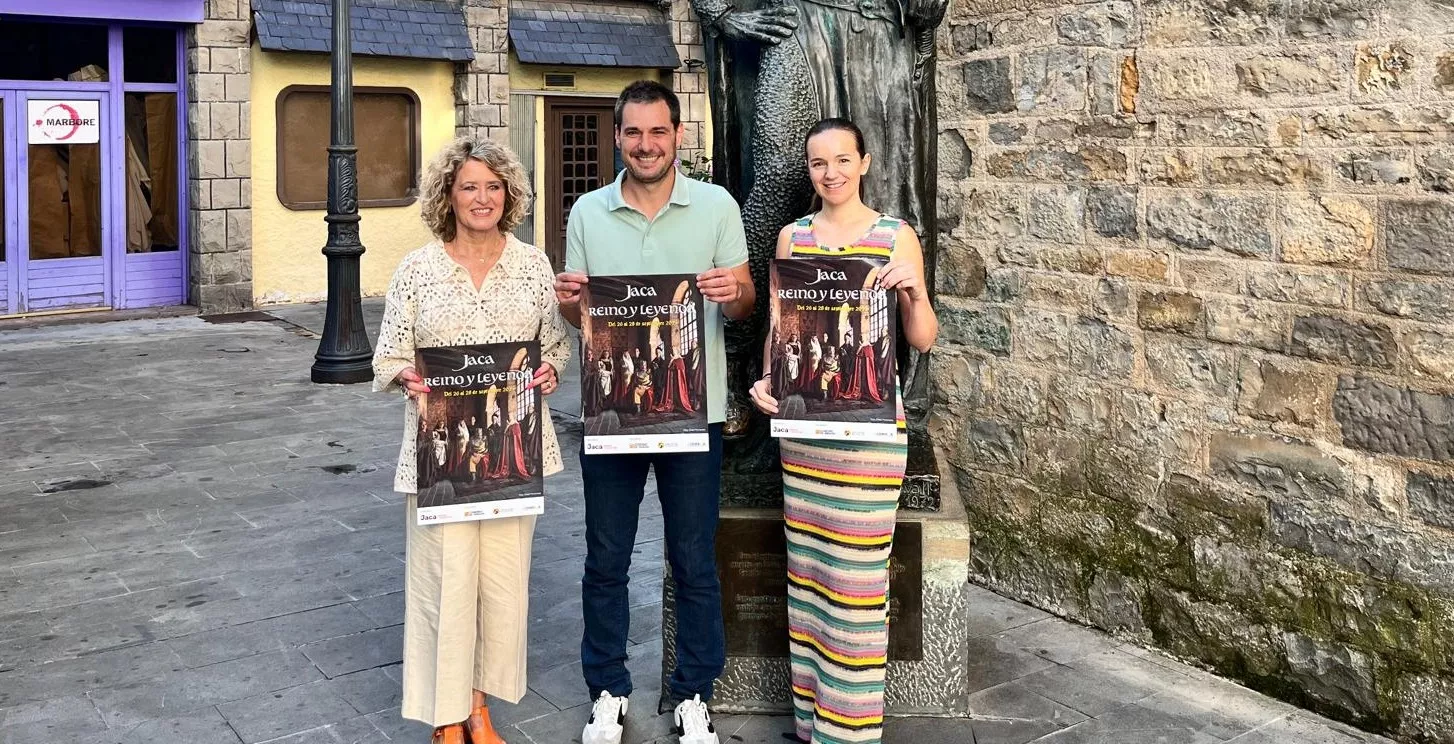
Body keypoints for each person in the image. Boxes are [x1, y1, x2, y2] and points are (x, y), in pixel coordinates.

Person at [554, 79, 755, 744]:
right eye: (633, 132)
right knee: (605, 557)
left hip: (693, 412)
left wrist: (734, 293)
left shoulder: (717, 206)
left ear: (677, 135)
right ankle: (607, 688)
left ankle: (694, 692)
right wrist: (566, 301)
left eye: (658, 132)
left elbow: (749, 302)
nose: (645, 144)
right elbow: (580, 317)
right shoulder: (586, 212)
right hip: (612, 414)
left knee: (694, 558)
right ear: (618, 137)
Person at [746, 118, 938, 744]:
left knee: (855, 588)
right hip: (805, 437)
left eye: (841, 159)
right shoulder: (791, 238)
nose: (830, 172)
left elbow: (923, 338)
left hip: (871, 437)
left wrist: (911, 294)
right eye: (817, 163)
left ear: (865, 162)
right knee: (807, 579)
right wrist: (766, 384)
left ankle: (849, 733)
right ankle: (810, 724)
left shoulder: (895, 236)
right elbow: (781, 338)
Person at [372, 135, 570, 744]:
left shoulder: (533, 265)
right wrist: (406, 376)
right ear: (447, 197)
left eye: (493, 186)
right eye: (468, 187)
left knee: (501, 587)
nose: (482, 198)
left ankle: (479, 708)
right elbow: (388, 355)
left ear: (508, 194)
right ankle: (445, 716)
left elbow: (557, 346)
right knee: (445, 585)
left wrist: (551, 371)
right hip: (440, 459)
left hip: (514, 455)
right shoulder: (417, 269)